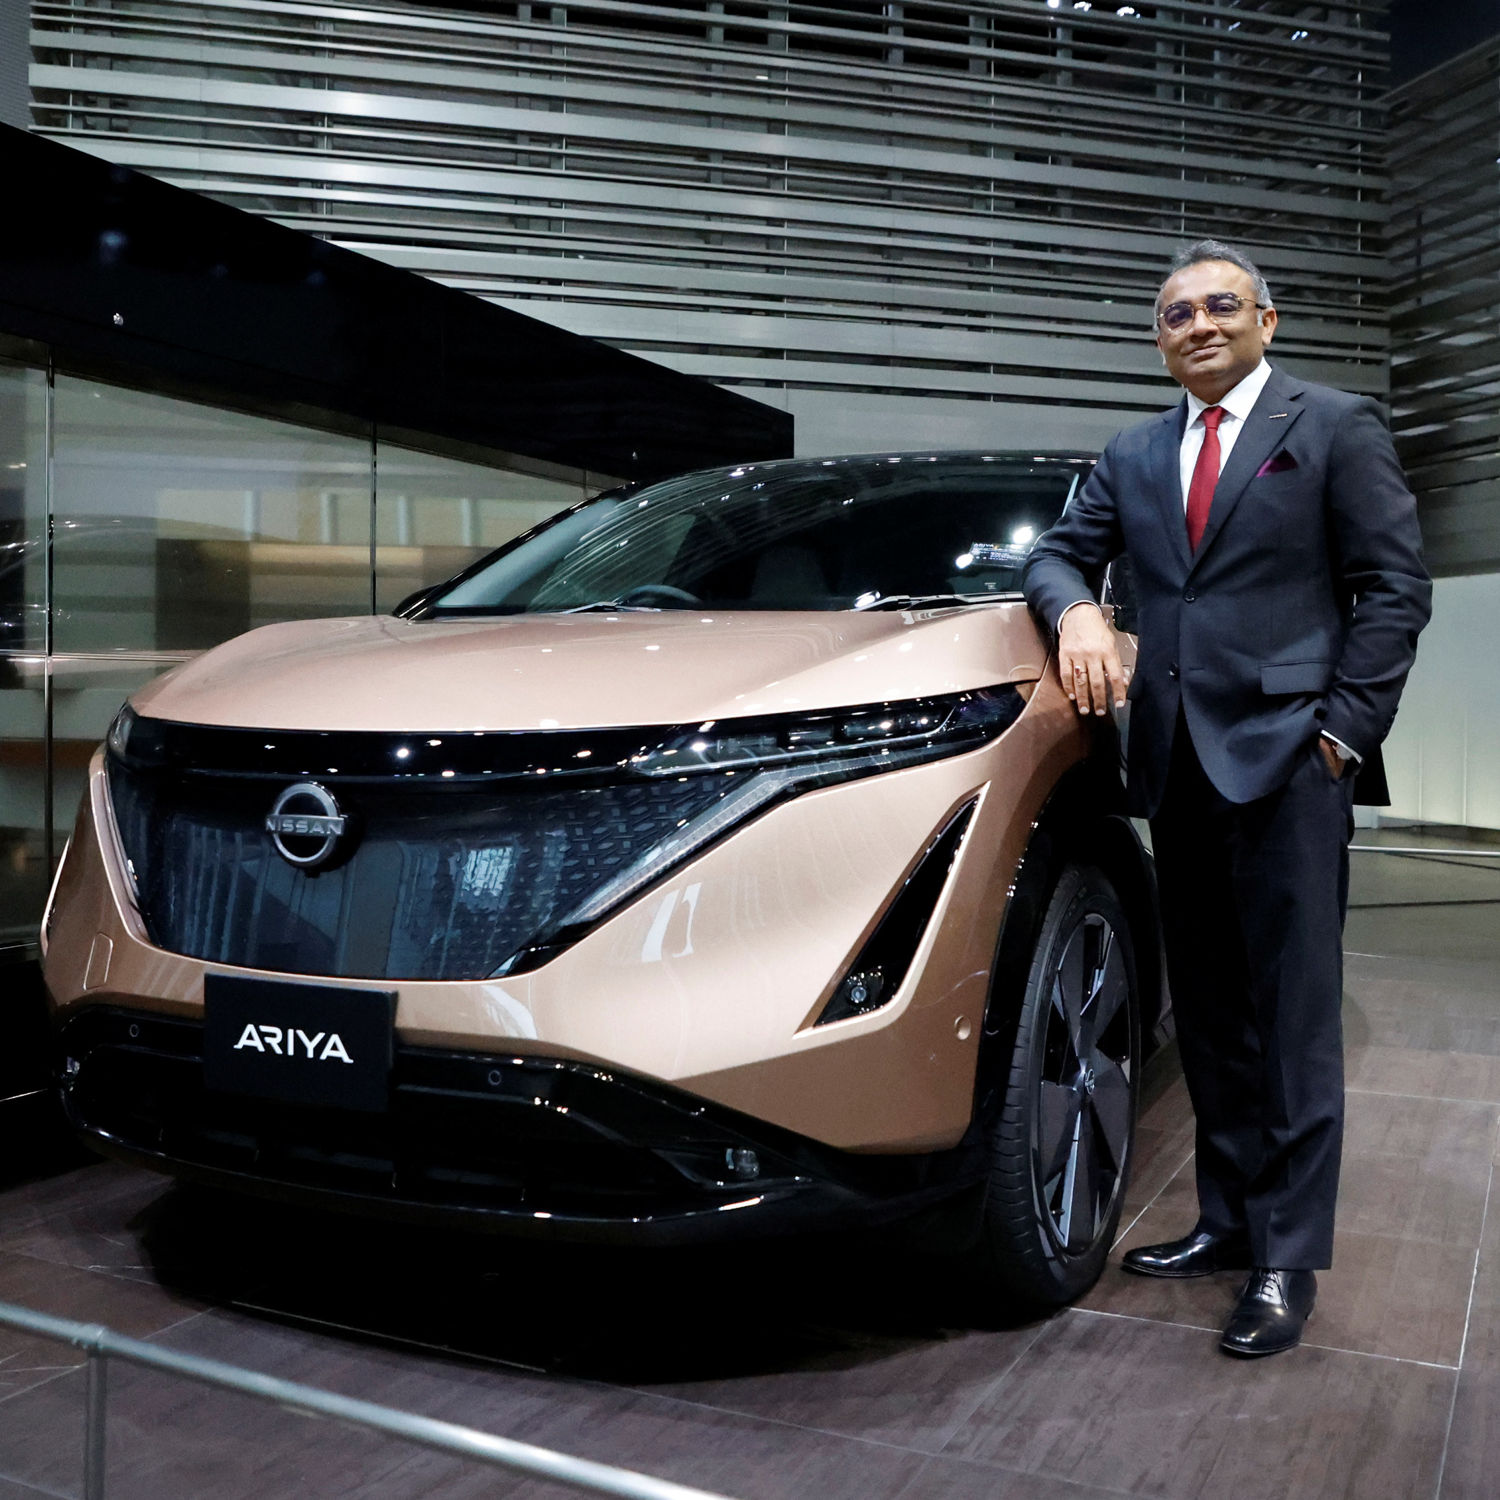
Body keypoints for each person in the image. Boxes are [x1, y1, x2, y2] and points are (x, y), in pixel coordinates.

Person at [1022, 239, 1432, 1357]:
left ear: (1267, 317)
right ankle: (1227, 1219)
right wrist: (1078, 613)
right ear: (1158, 343)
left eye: (1217, 306)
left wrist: (1344, 733)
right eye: (1173, 316)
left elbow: (1394, 588)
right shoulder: (1135, 449)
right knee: (1207, 1015)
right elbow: (1060, 555)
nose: (1196, 325)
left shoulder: (1333, 427)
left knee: (1293, 1020)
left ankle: (1288, 1256)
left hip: (1295, 760)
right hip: (1176, 766)